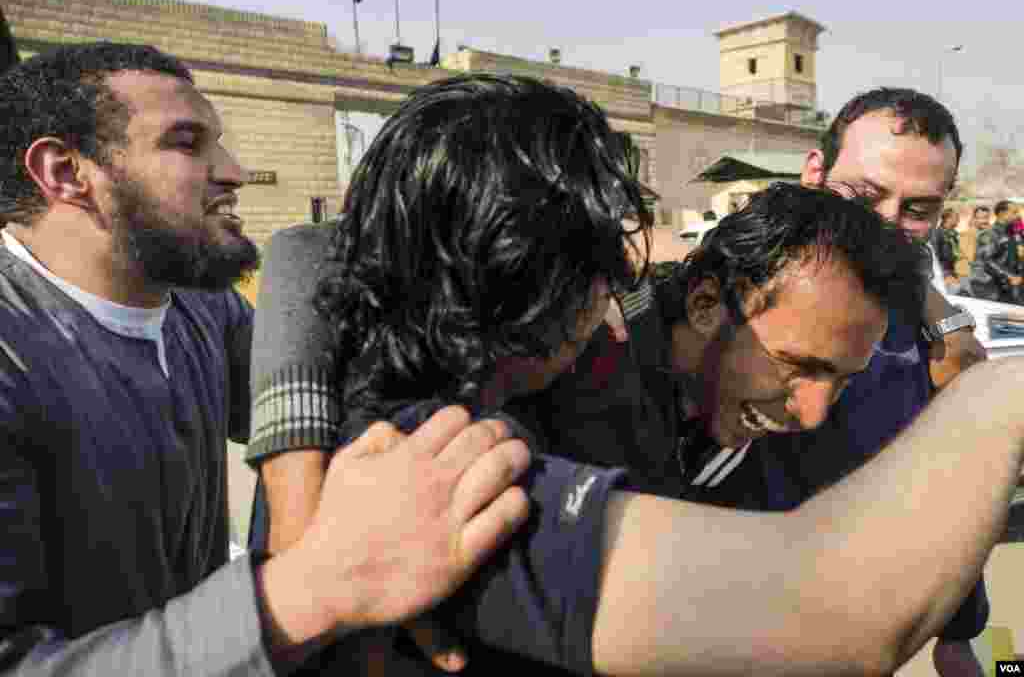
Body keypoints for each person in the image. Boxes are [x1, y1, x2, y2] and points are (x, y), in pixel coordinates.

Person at [247, 74, 1017, 676]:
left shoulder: (876, 348)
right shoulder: (433, 465)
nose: (613, 289)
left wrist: (942, 322)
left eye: (921, 208)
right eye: (596, 271)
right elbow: (308, 248)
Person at [0, 43, 533, 675]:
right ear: (65, 172)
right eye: (187, 143)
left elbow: (310, 270)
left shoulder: (199, 309)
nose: (233, 171)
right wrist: (313, 589)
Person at [971, 199, 1022, 302]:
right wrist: (1010, 276)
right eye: (1014, 212)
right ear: (1003, 213)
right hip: (990, 287)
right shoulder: (990, 234)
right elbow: (987, 261)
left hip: (1008, 286)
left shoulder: (1011, 233)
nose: (1017, 215)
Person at [934, 207, 964, 294]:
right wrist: (945, 274)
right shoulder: (937, 234)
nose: (958, 220)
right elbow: (935, 257)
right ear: (948, 219)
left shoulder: (953, 234)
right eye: (956, 218)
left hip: (952, 270)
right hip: (944, 272)